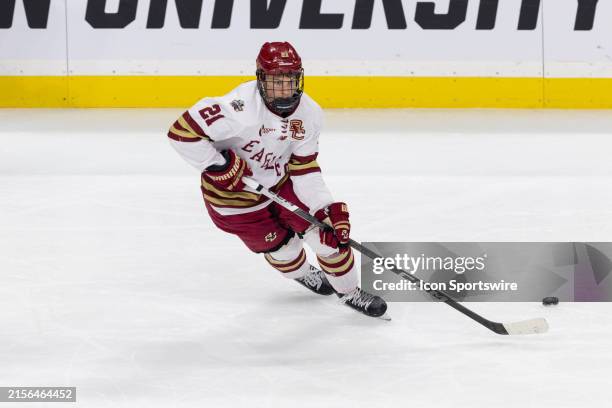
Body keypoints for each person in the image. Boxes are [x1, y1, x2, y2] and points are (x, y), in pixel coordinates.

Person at [167, 42, 387, 318]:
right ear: (260, 78)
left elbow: (304, 168)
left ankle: (350, 292)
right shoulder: (237, 109)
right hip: (234, 200)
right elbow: (181, 133)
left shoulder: (309, 114)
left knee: (328, 238)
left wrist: (324, 208)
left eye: (290, 80)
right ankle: (304, 273)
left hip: (280, 182)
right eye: (275, 81)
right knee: (286, 250)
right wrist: (218, 165)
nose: (284, 89)